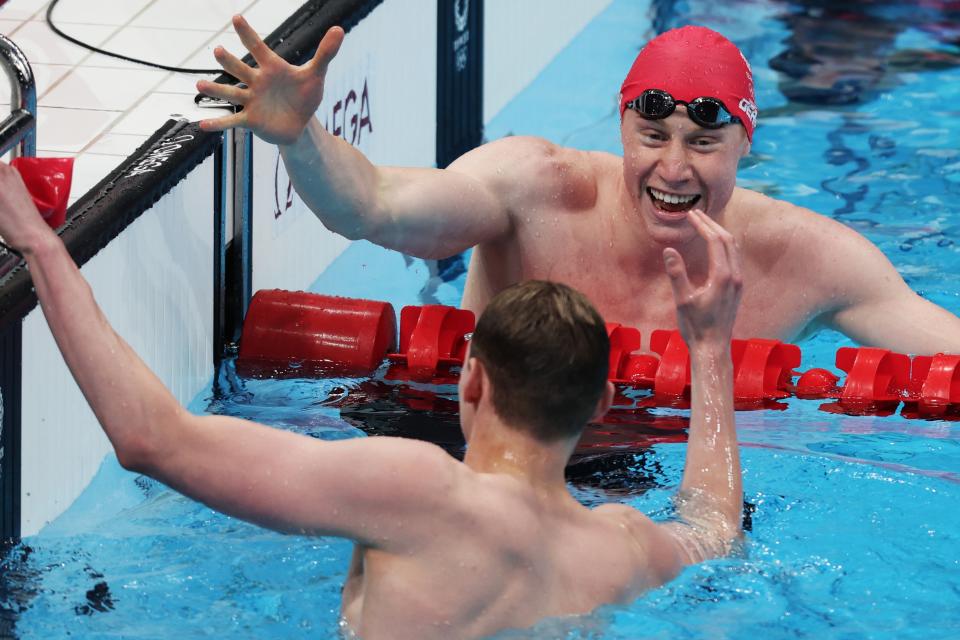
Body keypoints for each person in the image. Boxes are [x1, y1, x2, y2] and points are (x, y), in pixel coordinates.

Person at [0, 158, 743, 639]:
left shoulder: (420, 492)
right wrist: (709, 349)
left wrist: (39, 243)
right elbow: (716, 529)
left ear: (472, 380)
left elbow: (150, 439)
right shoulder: (618, 549)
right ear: (603, 400)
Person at [197, 18, 960, 356]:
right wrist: (298, 138)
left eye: (704, 143)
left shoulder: (811, 259)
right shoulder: (534, 188)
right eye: (652, 136)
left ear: (746, 145)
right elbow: (373, 208)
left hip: (653, 484)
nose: (673, 168)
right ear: (621, 127)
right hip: (476, 445)